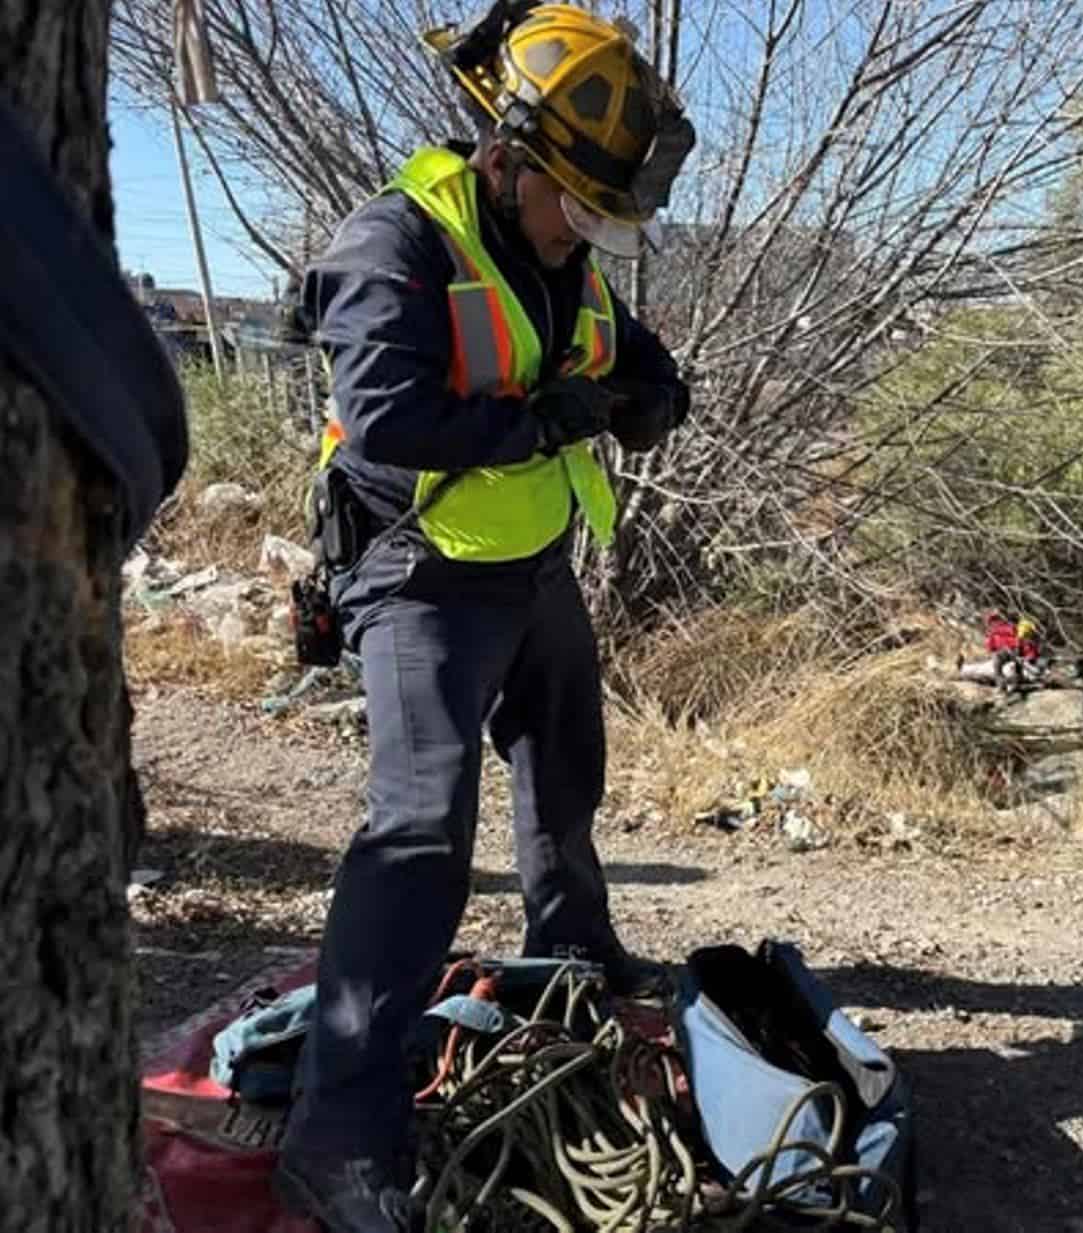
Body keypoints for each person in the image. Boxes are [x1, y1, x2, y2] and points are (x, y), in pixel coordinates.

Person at [273, 5, 695, 1229]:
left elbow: (624, 349)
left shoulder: (562, 249)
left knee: (564, 764)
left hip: (528, 561)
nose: (587, 238)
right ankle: (338, 1132)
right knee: (419, 834)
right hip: (415, 574)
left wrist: (649, 390)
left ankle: (572, 951)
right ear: (508, 164)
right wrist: (553, 419)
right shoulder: (392, 246)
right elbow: (392, 419)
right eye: (577, 208)